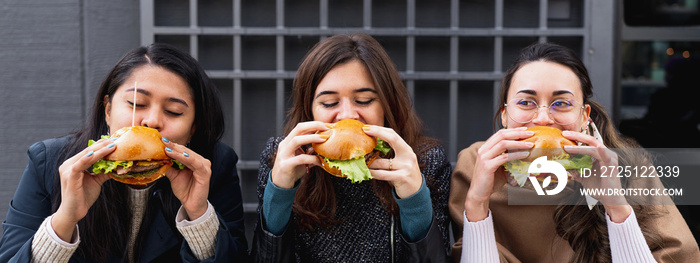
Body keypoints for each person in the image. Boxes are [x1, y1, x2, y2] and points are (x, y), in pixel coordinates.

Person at [449, 42, 700, 262]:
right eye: (526, 102)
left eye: (562, 103)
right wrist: (477, 206)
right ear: (504, 115)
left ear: (584, 116)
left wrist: (615, 205)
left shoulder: (629, 167)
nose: (543, 118)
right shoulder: (476, 163)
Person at [0, 43, 248, 262]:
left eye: (173, 111)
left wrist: (199, 215)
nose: (151, 121)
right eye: (136, 104)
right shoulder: (50, 162)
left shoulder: (213, 167)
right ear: (107, 110)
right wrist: (65, 219)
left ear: (193, 127)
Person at [250, 33, 451, 262]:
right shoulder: (283, 157)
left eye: (364, 100)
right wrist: (280, 193)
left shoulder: (425, 161)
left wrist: (415, 200)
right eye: (329, 103)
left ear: (387, 104)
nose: (347, 115)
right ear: (310, 110)